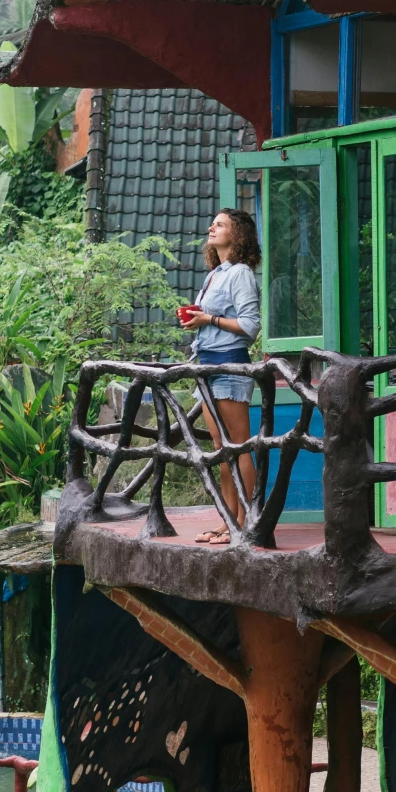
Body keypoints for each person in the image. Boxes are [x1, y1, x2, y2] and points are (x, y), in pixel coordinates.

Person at [181, 208, 261, 542]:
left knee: (239, 447)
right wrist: (197, 316)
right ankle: (228, 520)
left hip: (229, 365)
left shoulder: (241, 272)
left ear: (238, 234)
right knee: (220, 447)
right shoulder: (216, 273)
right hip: (207, 365)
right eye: (212, 222)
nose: (212, 227)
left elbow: (250, 326)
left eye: (221, 224)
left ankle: (245, 521)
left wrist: (208, 320)